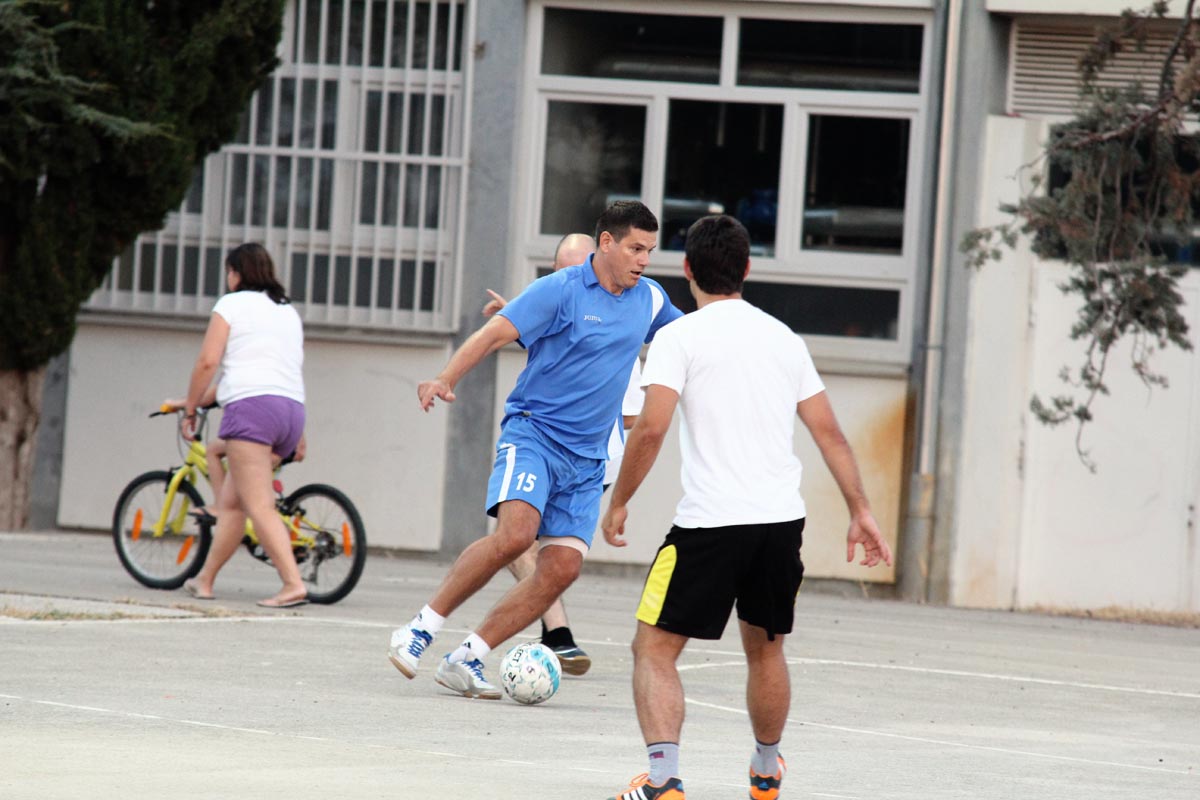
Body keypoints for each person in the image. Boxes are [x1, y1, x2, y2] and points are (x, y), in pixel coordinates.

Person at [600, 215, 893, 800]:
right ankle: (765, 770)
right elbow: (829, 434)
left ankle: (663, 781)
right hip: (780, 524)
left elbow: (651, 429)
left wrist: (621, 501)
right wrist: (861, 509)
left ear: (686, 271)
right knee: (766, 650)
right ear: (748, 269)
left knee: (653, 649)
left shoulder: (680, 337)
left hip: (710, 525)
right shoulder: (784, 339)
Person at [387, 200, 683, 699]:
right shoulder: (559, 290)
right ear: (606, 243)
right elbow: (493, 334)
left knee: (562, 568)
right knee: (515, 535)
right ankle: (419, 628)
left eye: (650, 251)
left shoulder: (650, 300)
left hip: (587, 459)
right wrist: (444, 377)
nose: (643, 260)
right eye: (635, 248)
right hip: (536, 435)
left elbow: (690, 337)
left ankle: (468, 658)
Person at [481, 233, 644, 676]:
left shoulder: (623, 323)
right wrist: (517, 319)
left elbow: (631, 416)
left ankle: (556, 633)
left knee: (516, 540)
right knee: (530, 542)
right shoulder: (570, 304)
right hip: (576, 451)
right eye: (560, 270)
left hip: (588, 457)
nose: (569, 276)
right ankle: (556, 635)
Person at [178, 243, 310, 609]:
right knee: (234, 505)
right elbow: (285, 371)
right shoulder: (287, 311)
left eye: (228, 272)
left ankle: (292, 584)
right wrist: (298, 430)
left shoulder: (231, 304)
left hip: (251, 412)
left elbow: (208, 361)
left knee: (259, 507)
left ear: (236, 273)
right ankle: (203, 580)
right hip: (290, 410)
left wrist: (190, 407)